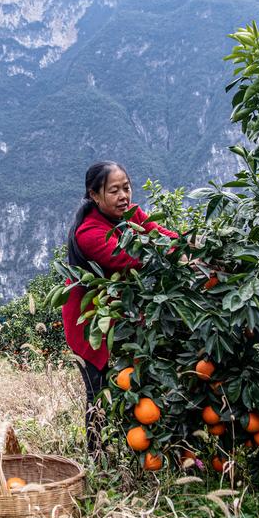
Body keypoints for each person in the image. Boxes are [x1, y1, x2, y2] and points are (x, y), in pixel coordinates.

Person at [62, 162, 178, 463]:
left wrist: (190, 246)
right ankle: (96, 456)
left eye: (126, 187)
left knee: (137, 377)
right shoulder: (89, 233)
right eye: (114, 190)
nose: (124, 196)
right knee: (97, 389)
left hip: (122, 314)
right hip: (90, 322)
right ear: (94, 195)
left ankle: (141, 445)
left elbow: (160, 234)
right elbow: (132, 258)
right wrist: (175, 253)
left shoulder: (130, 215)